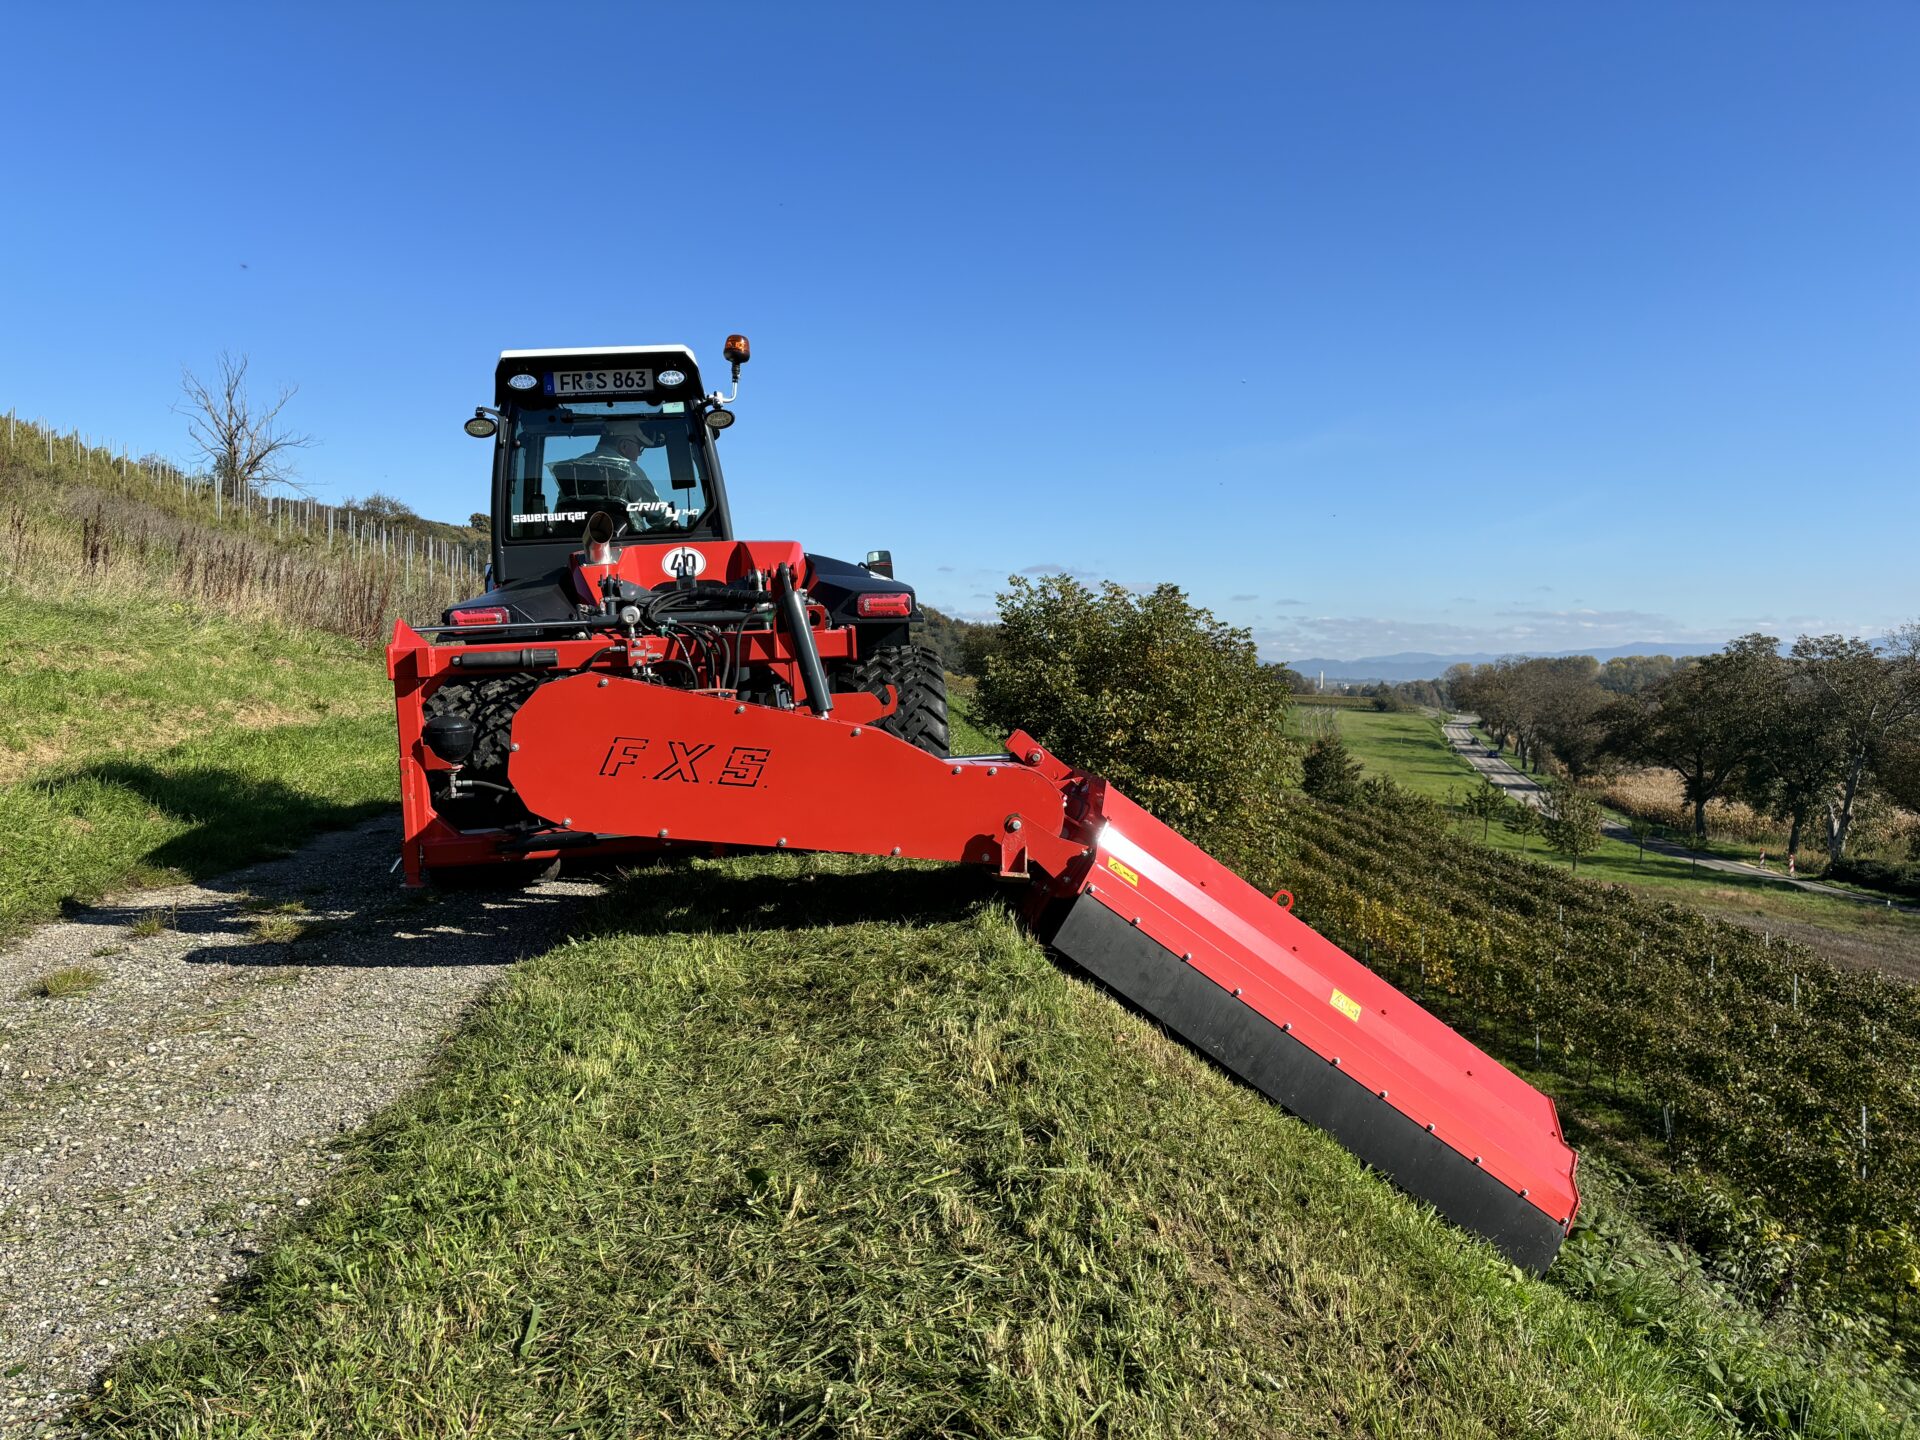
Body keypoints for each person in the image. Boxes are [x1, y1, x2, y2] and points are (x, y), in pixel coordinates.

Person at [548, 420, 667, 515]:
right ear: (624, 445)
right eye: (639, 448)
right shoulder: (628, 469)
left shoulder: (572, 469)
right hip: (623, 541)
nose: (639, 454)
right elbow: (658, 513)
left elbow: (560, 513)